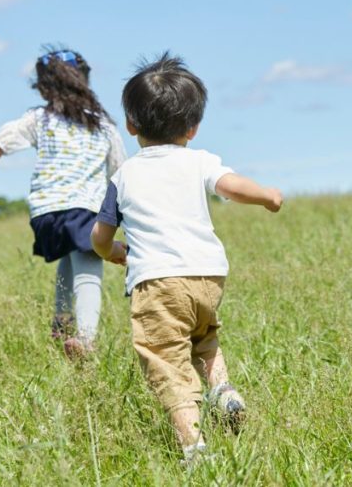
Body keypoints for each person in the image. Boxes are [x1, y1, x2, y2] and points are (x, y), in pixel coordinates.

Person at [90, 53, 282, 463]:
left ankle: (194, 449)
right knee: (204, 339)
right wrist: (266, 195)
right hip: (208, 277)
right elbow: (230, 186)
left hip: (157, 282)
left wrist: (113, 253)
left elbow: (100, 237)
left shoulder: (124, 176)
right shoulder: (200, 161)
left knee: (166, 361)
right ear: (193, 128)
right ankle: (222, 390)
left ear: (130, 125)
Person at [0, 47, 127, 357]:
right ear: (85, 82)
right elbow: (121, 170)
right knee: (88, 269)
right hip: (83, 205)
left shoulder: (40, 118)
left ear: (44, 87)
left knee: (69, 255)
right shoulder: (102, 125)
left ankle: (61, 320)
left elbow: (7, 136)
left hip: (46, 212)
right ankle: (85, 339)